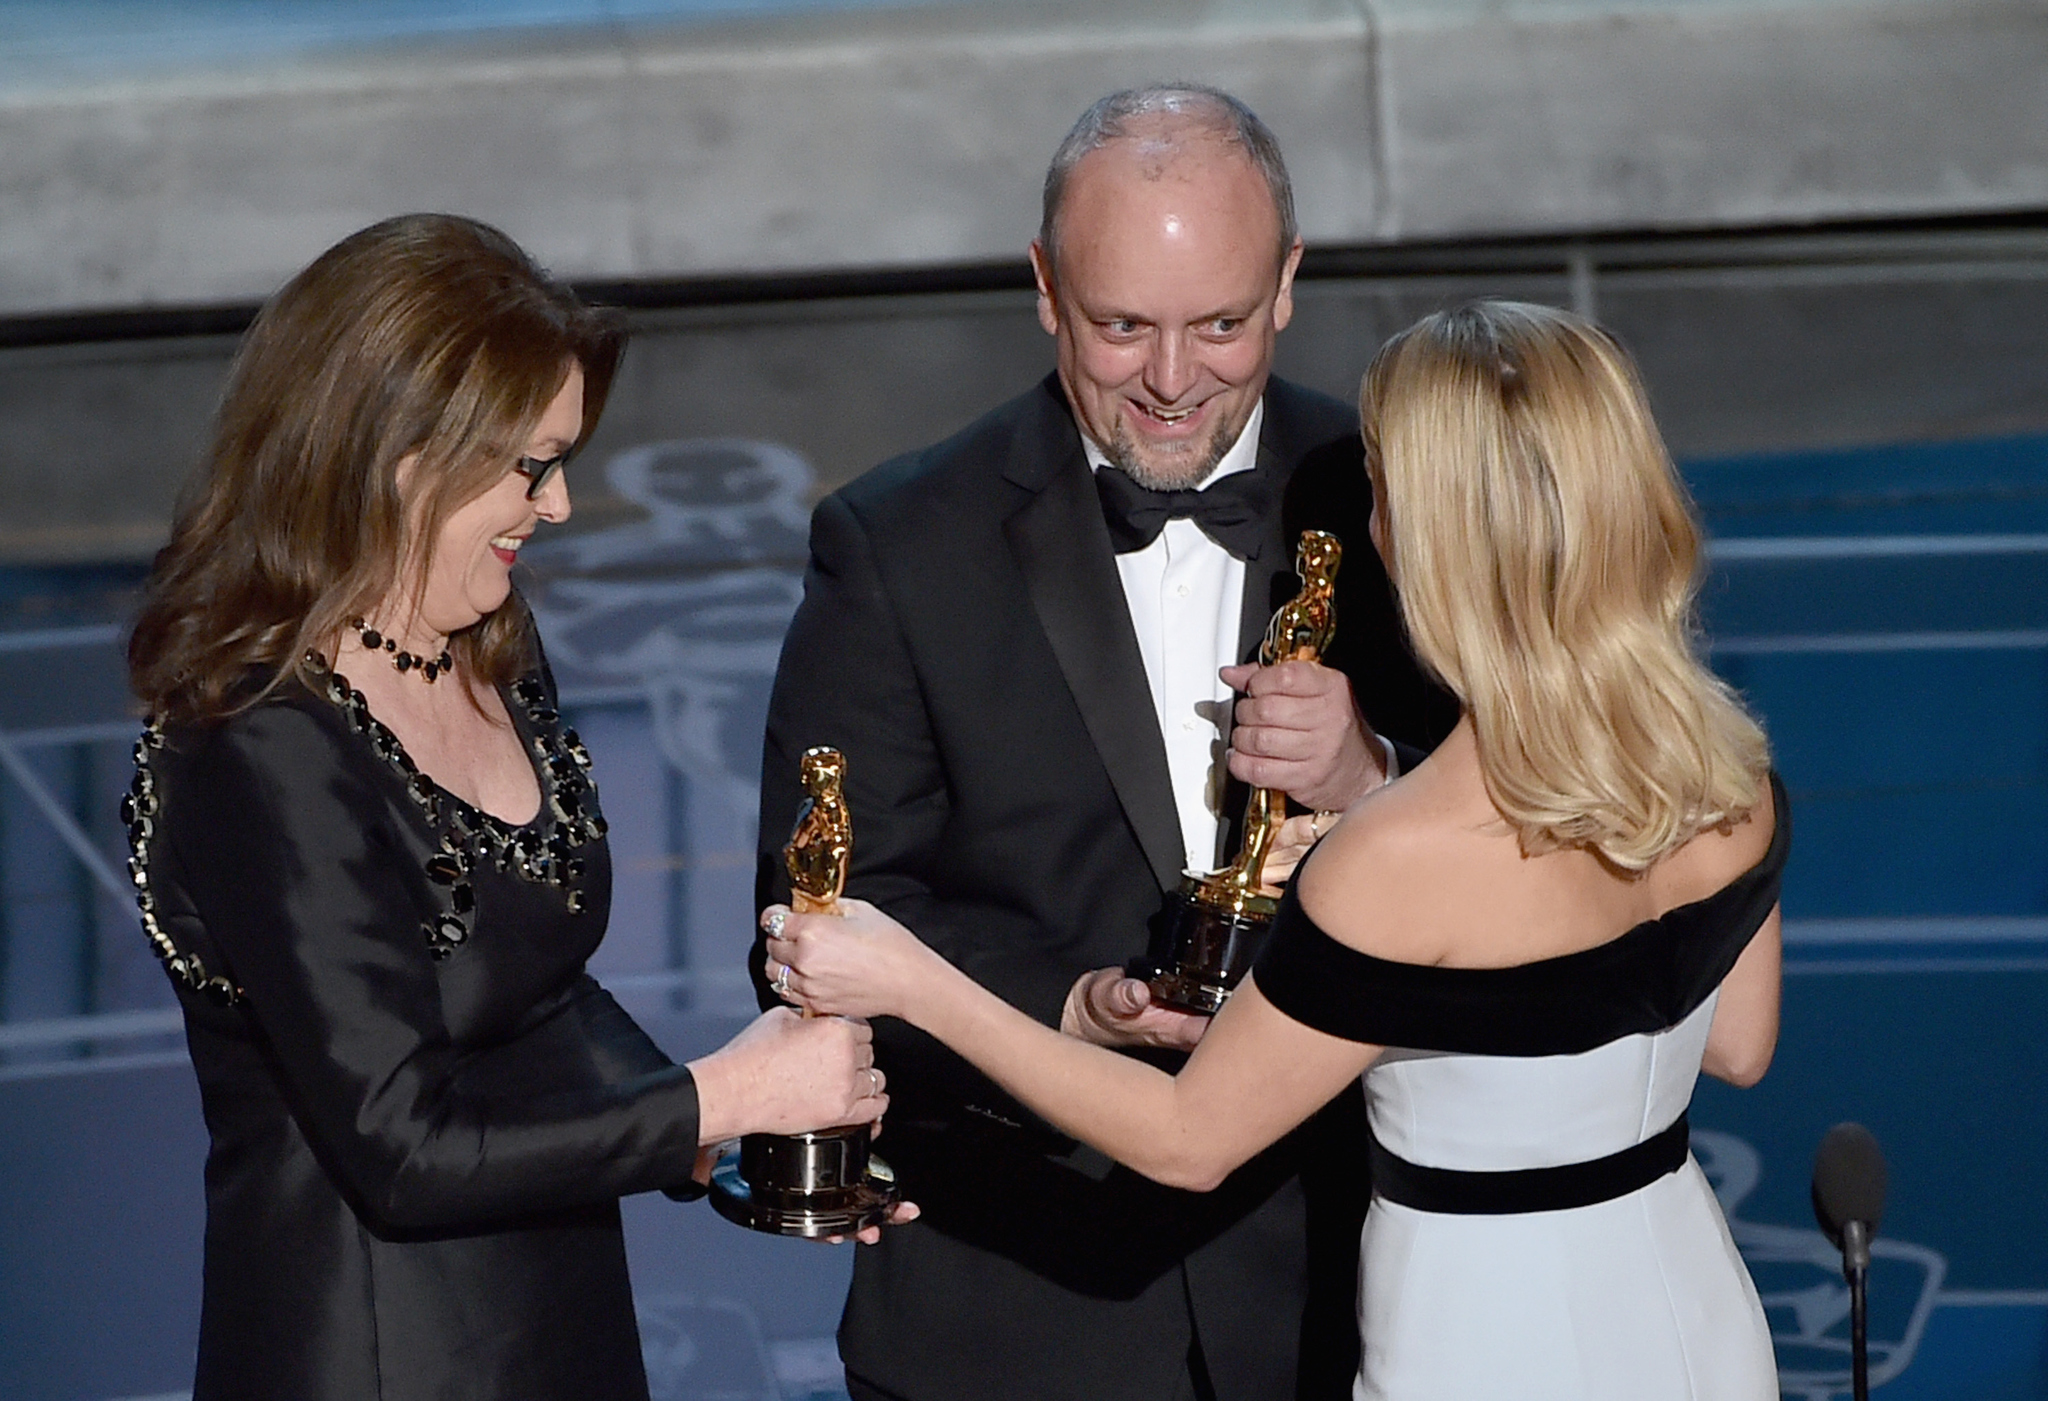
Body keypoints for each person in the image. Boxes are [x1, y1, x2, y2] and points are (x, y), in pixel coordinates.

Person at [766, 299, 1787, 1401]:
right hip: (1685, 1312)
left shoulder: (1388, 863)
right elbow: (1735, 1048)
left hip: (1478, 1335)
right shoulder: (1731, 779)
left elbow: (1185, 1139)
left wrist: (913, 979)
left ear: (1416, 536)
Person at [752, 87, 1454, 1401]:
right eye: (1124, 326)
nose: (1176, 380)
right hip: (1018, 1302)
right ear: (1043, 288)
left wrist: (1374, 781)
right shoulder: (902, 542)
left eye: (1222, 324)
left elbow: (1544, 852)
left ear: (1290, 284)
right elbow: (825, 914)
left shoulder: (1406, 496)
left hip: (1358, 1291)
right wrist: (1070, 1008)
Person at [123, 213, 897, 1401]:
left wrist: (725, 1138)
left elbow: (531, 986)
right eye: (531, 465)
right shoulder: (260, 739)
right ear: (401, 454)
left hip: (554, 1321)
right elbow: (400, 1147)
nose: (561, 505)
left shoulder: (489, 650)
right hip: (378, 1357)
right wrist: (724, 1090)